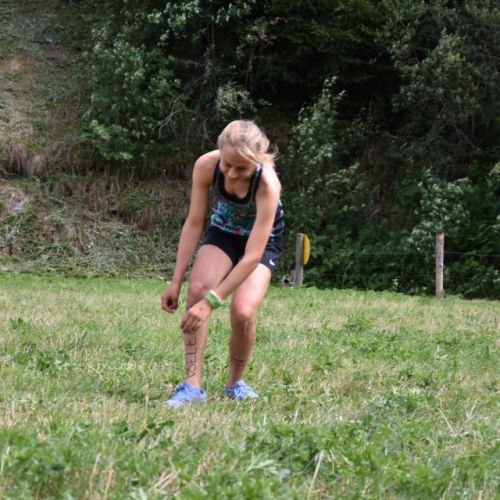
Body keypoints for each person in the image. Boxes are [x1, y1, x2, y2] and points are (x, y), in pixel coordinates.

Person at [160, 119, 284, 407]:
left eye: (242, 168)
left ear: (257, 161)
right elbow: (194, 223)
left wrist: (212, 302)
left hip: (260, 242)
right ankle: (192, 387)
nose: (231, 173)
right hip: (224, 231)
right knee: (197, 289)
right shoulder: (207, 165)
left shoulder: (267, 184)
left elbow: (252, 256)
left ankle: (235, 383)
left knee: (243, 312)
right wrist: (176, 282)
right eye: (227, 164)